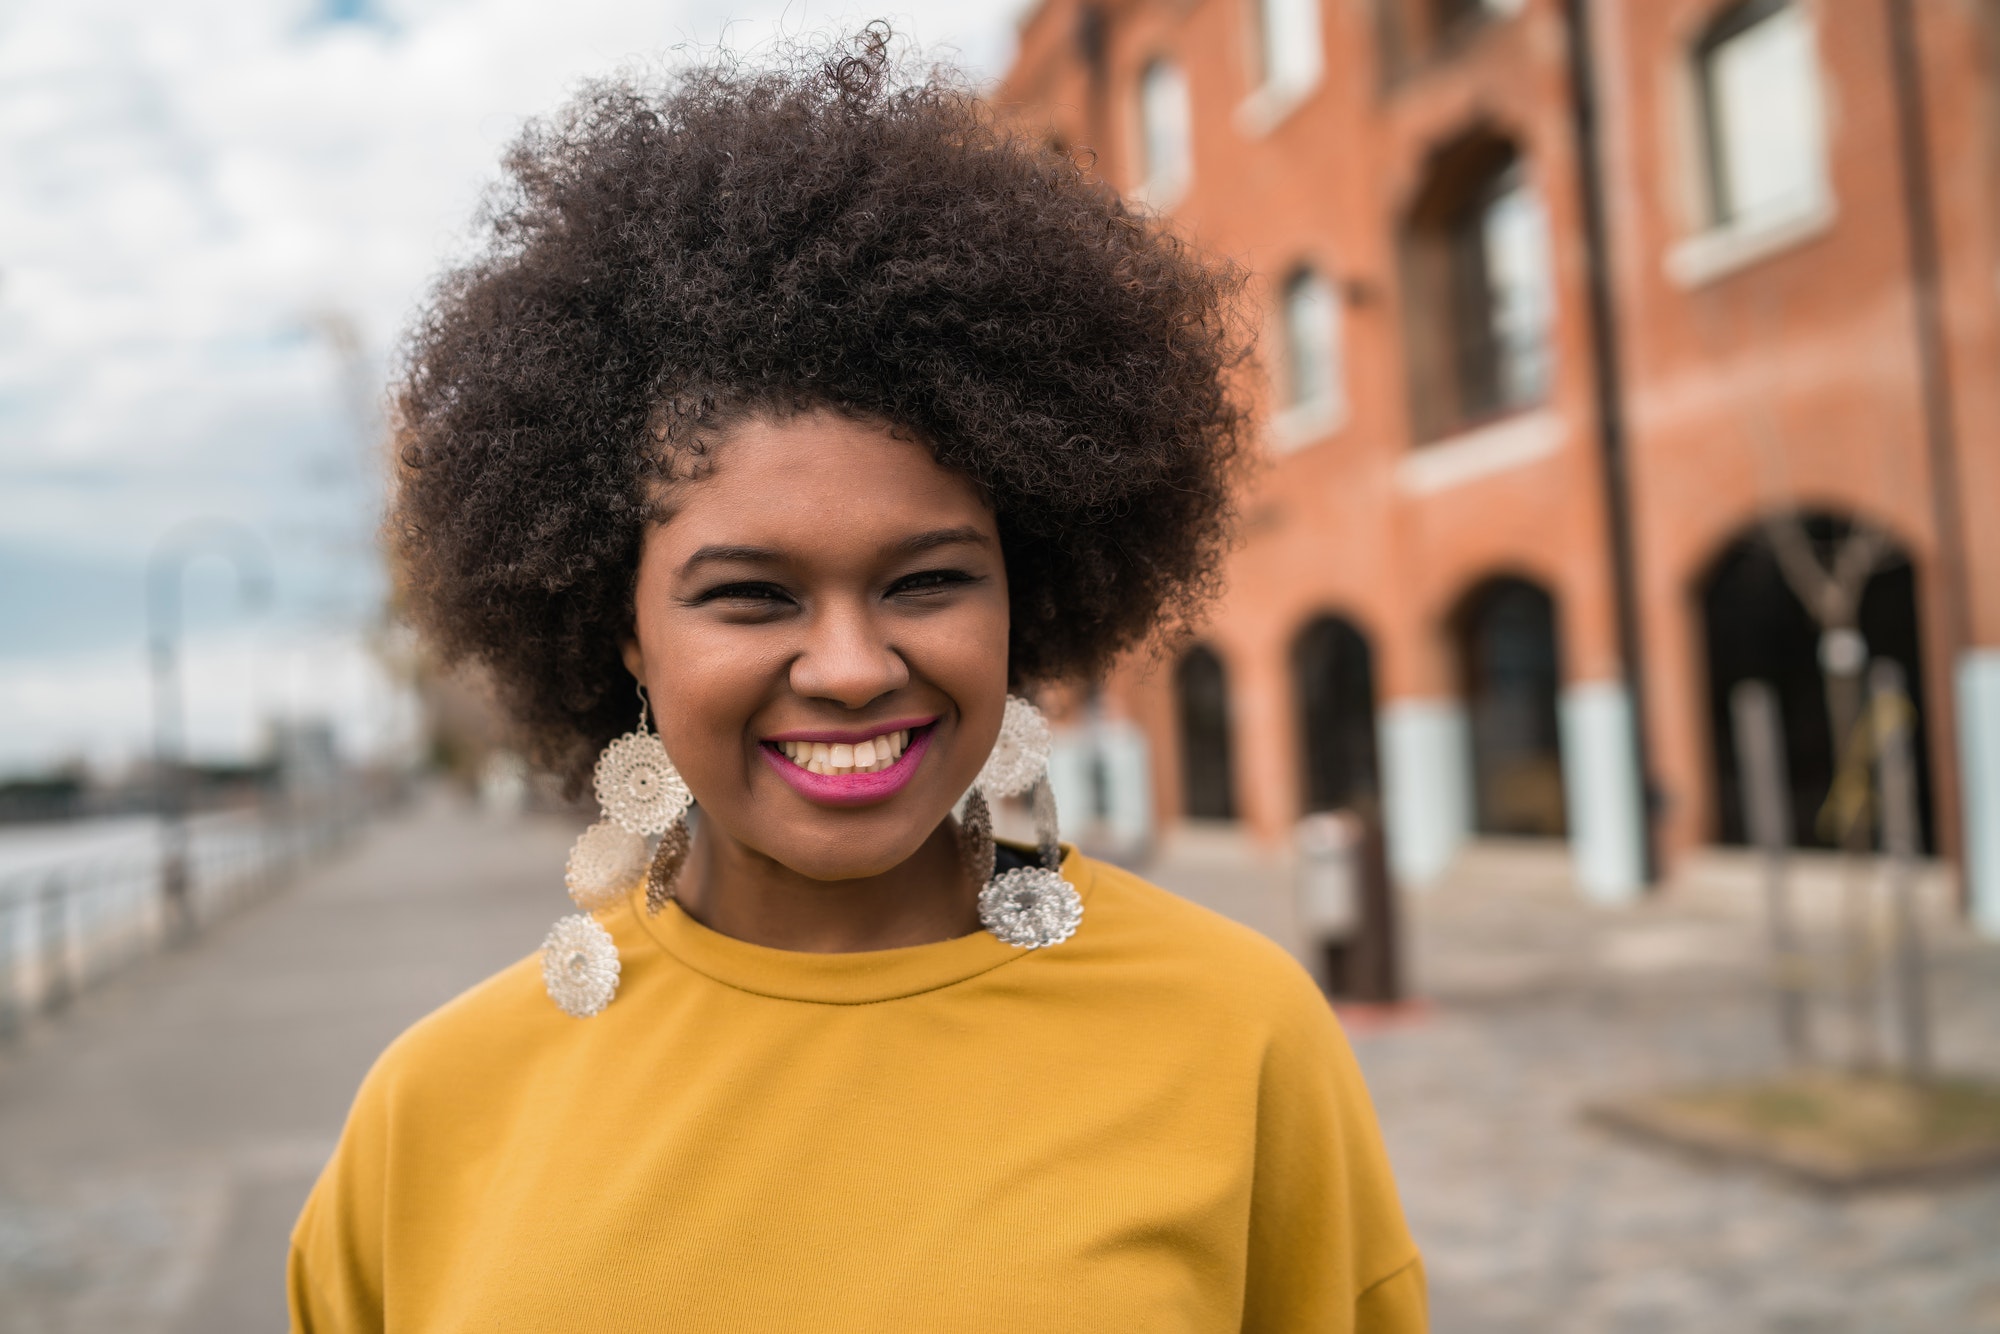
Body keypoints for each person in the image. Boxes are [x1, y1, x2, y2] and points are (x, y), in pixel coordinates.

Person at [288, 30, 1424, 1333]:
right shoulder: (431, 1109)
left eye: (928, 579)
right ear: (620, 629)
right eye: (750, 594)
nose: (848, 666)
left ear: (1028, 583)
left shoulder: (1240, 1033)